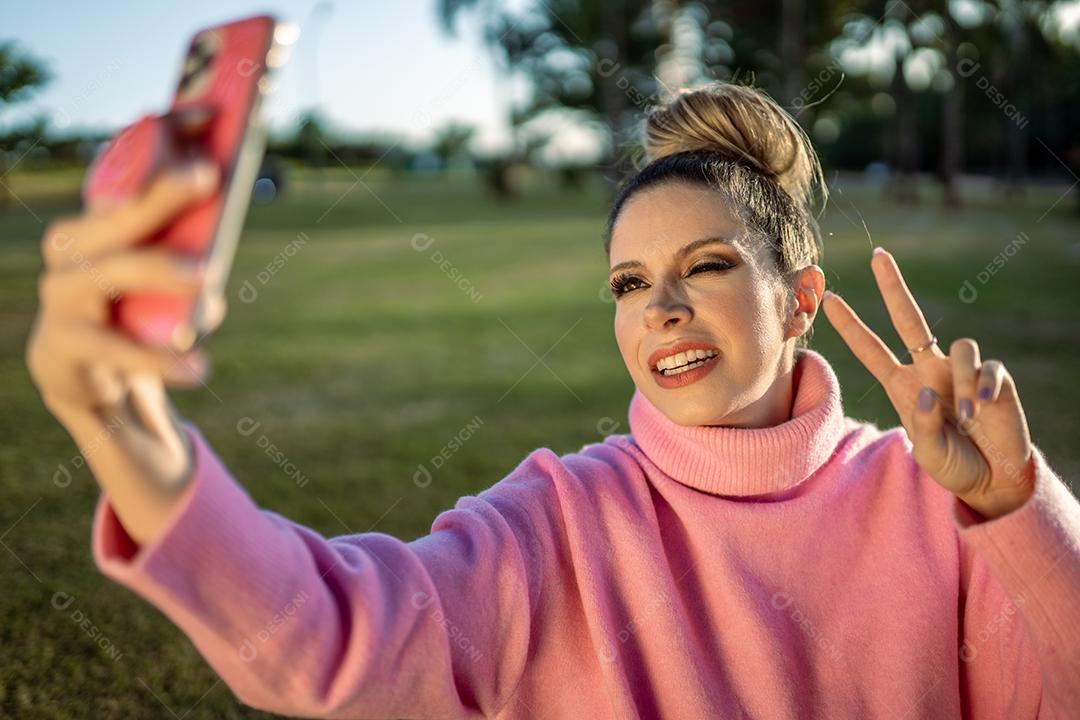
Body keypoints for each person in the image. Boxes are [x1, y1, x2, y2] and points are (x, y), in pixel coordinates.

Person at [26, 82, 1080, 719]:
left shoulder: (943, 500)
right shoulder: (561, 517)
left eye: (706, 266)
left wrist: (1017, 509)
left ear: (799, 299)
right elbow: (329, 637)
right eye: (629, 283)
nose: (660, 307)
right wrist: (120, 427)